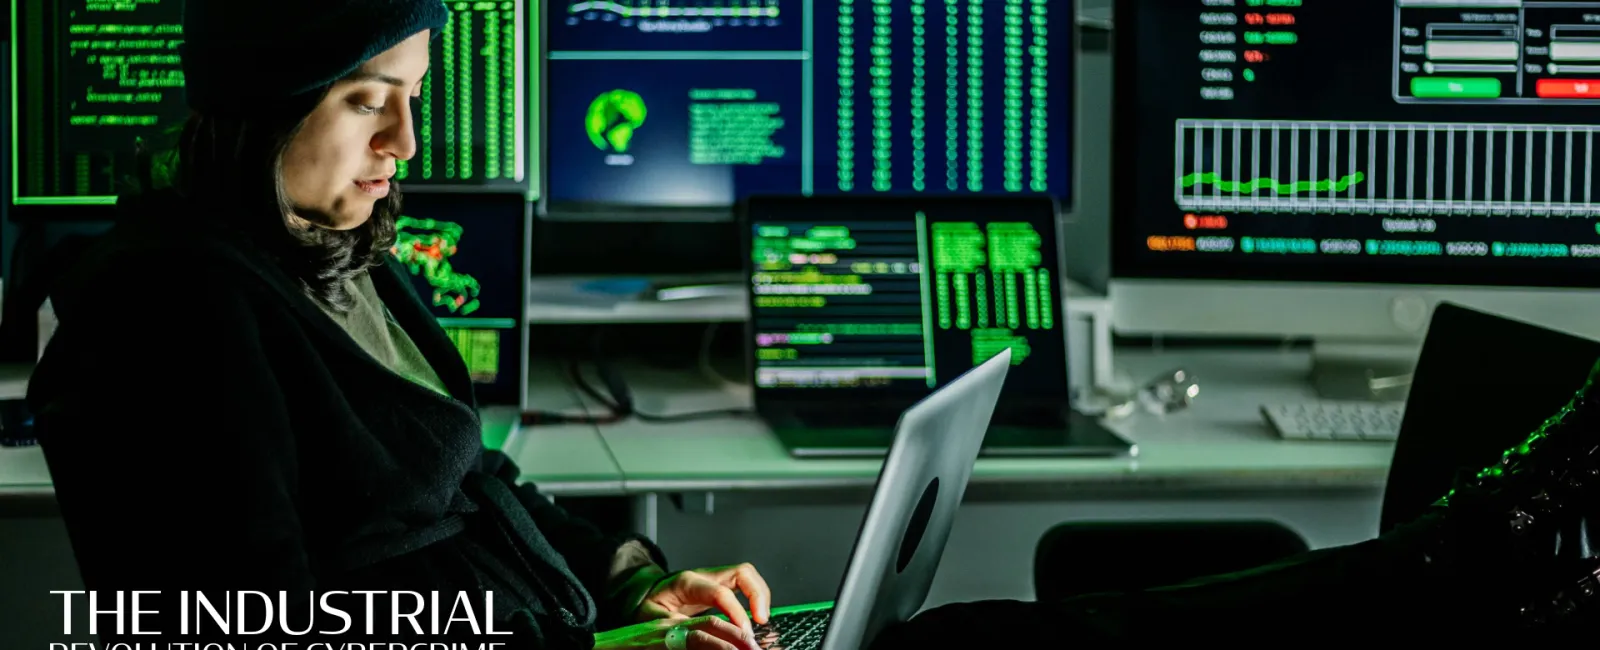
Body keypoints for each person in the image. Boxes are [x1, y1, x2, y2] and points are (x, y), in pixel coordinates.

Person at [26, 2, 768, 648]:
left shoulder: (334, 251)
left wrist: (627, 582)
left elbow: (470, 478)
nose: (404, 140)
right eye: (364, 100)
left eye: (412, 94)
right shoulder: (163, 316)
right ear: (264, 100)